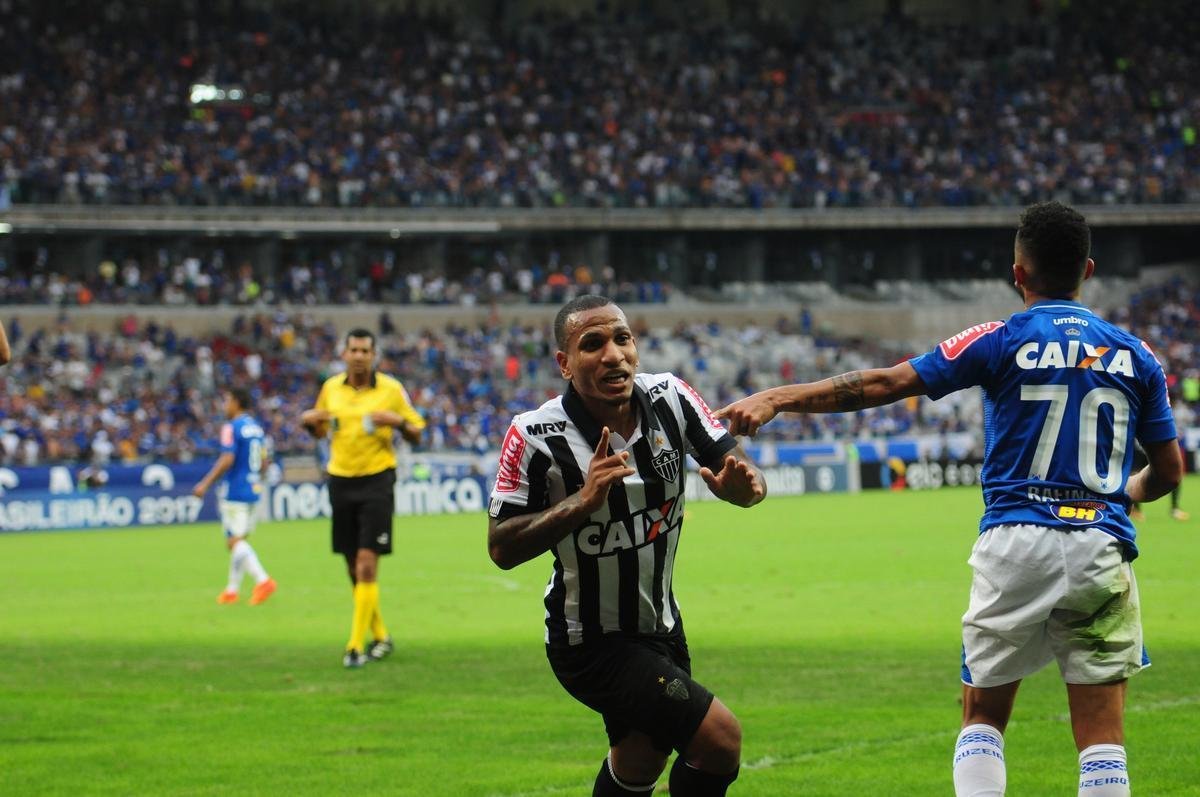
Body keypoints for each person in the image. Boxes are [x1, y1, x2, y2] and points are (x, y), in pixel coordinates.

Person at [715, 202, 1183, 797]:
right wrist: (1123, 493)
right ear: (1088, 270)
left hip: (1016, 540)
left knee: (983, 718)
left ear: (1017, 274)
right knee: (1102, 738)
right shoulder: (1135, 354)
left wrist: (780, 396)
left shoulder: (998, 338)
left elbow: (886, 383)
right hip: (1101, 546)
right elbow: (1168, 470)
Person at [487, 294, 766, 796]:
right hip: (589, 641)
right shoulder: (534, 434)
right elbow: (501, 548)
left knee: (640, 760)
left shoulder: (671, 397)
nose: (613, 354)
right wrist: (582, 501)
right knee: (719, 741)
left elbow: (739, 468)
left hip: (661, 625)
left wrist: (748, 491)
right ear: (565, 364)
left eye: (622, 338)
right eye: (592, 344)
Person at [301, 328, 425, 669]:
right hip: (340, 480)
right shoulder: (330, 389)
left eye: (364, 350)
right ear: (344, 354)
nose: (358, 355)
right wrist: (310, 422)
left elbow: (418, 433)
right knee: (352, 566)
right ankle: (381, 636)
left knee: (367, 564)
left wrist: (398, 422)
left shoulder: (391, 389)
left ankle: (354, 646)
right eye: (353, 349)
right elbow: (322, 428)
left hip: (377, 481)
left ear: (373, 356)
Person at [192, 387, 276, 606]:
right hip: (253, 489)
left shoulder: (232, 427)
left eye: (226, 400)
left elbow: (227, 459)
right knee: (239, 542)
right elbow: (265, 462)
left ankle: (263, 580)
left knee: (234, 542)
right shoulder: (256, 428)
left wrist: (204, 484)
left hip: (235, 490)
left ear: (236, 402)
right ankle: (231, 590)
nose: (224, 405)